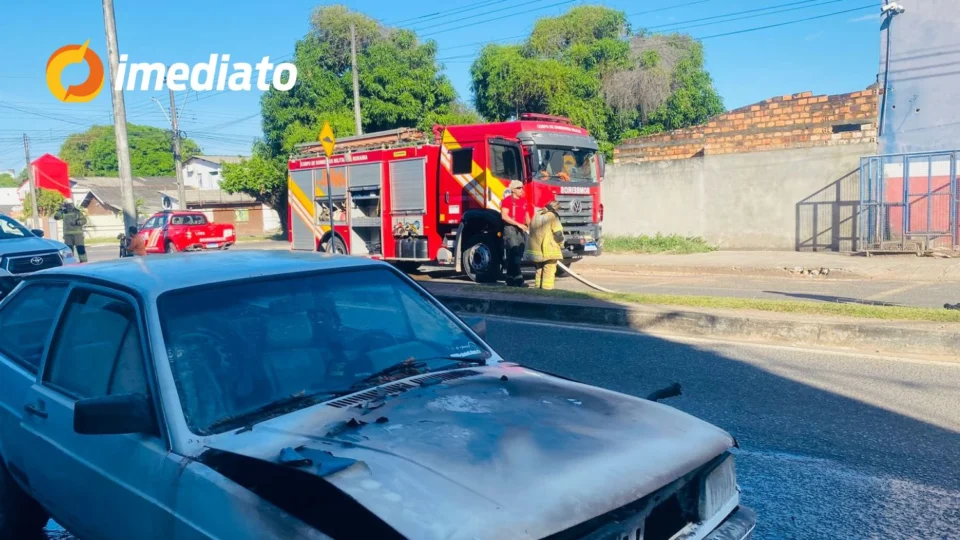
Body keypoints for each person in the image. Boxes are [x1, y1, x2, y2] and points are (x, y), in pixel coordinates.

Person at [526, 198, 564, 290]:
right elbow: (558, 234)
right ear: (556, 209)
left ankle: (538, 287)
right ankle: (547, 289)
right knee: (549, 269)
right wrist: (561, 244)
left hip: (536, 249)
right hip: (548, 249)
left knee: (539, 269)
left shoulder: (537, 214)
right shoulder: (552, 216)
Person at [500, 180, 532, 287]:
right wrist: (518, 224)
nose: (521, 189)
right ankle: (519, 279)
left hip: (521, 230)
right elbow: (504, 216)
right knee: (515, 252)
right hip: (510, 229)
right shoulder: (507, 201)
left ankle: (509, 279)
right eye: (519, 188)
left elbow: (527, 216)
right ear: (513, 190)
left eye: (522, 187)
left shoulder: (524, 201)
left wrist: (530, 227)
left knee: (517, 252)